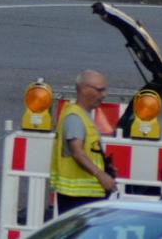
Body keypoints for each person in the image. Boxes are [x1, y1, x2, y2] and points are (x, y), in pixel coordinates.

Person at [50, 70, 117, 214]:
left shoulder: (82, 116)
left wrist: (106, 169)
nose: (104, 95)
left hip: (83, 195)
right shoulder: (75, 118)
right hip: (77, 197)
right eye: (100, 90)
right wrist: (100, 175)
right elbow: (77, 152)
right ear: (84, 90)